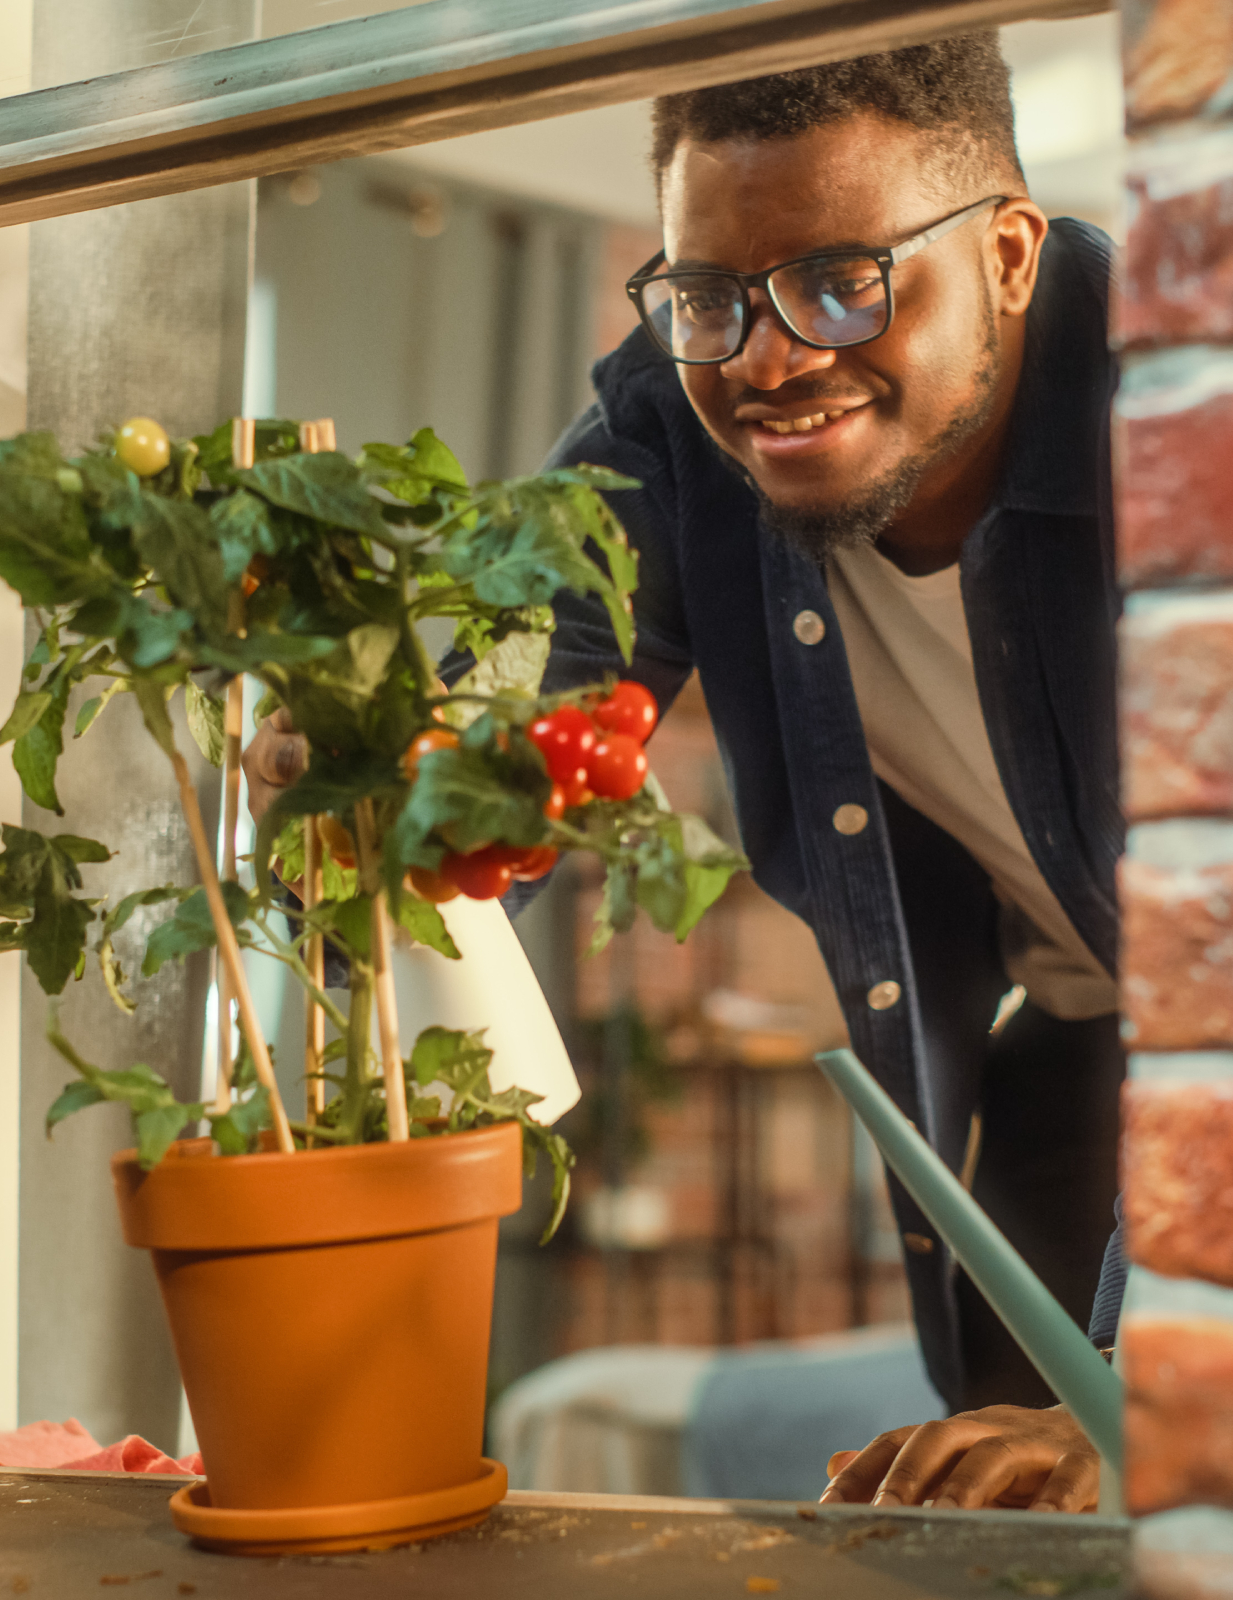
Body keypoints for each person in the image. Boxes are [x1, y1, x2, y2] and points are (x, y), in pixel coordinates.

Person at [244, 35, 1123, 1511]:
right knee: (1009, 1503)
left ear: (1014, 253)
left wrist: (1160, 1381)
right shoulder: (672, 419)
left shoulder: (1179, 410)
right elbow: (494, 715)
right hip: (1072, 1052)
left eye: (848, 279)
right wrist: (376, 793)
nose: (768, 359)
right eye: (708, 295)